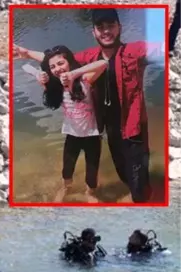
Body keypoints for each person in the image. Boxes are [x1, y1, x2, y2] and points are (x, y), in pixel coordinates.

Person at [15, 8, 165, 203]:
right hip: (109, 128)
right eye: (100, 27)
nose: (106, 31)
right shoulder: (89, 56)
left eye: (110, 25)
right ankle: (139, 195)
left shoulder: (134, 51)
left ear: (119, 28)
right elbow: (60, 60)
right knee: (124, 174)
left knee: (138, 181)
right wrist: (27, 54)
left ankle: (143, 200)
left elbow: (162, 48)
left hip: (133, 128)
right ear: (93, 32)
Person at [38, 46, 108, 203]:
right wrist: (40, 77)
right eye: (53, 67)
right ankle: (65, 188)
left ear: (69, 61)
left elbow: (103, 63)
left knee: (92, 171)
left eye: (61, 63)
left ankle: (90, 192)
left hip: (92, 135)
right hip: (72, 134)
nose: (57, 69)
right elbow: (31, 70)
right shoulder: (55, 86)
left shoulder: (85, 80)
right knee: (67, 169)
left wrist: (75, 73)